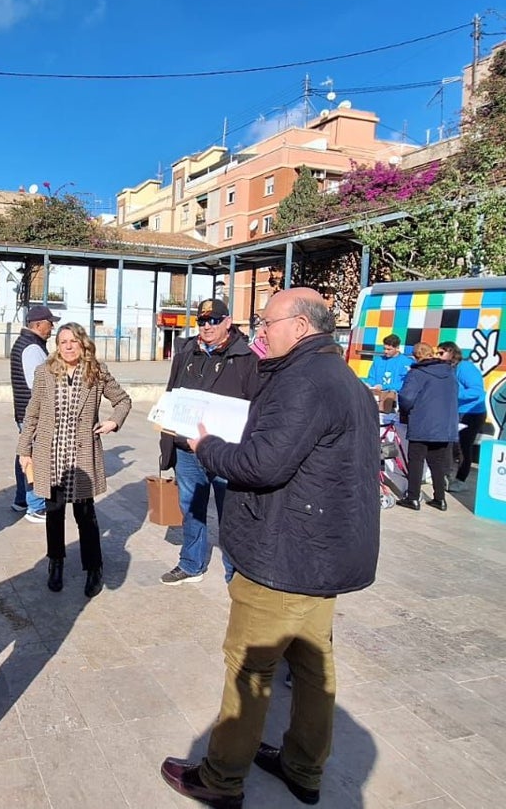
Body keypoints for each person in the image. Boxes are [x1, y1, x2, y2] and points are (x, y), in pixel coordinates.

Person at [160, 287, 380, 808]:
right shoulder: (339, 376)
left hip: (284, 553)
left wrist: (206, 445)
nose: (260, 331)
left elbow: (261, 465)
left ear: (301, 327)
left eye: (268, 322)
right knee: (311, 665)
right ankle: (303, 767)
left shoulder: (302, 380)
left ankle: (220, 778)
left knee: (252, 667)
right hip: (322, 552)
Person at [17, 322, 131, 598]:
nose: (68, 347)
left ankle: (94, 568)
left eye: (73, 342)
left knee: (85, 515)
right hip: (51, 455)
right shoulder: (44, 372)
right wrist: (24, 450)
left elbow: (123, 400)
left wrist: (112, 423)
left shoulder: (96, 371)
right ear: (57, 345)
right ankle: (55, 563)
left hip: (81, 457)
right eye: (63, 341)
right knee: (53, 514)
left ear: (83, 344)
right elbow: (32, 413)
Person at [158, 298, 260, 586]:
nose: (207, 326)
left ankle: (235, 574)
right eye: (202, 321)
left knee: (231, 515)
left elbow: (256, 406)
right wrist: (167, 437)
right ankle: (191, 564)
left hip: (226, 452)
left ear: (228, 321)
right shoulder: (187, 351)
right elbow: (172, 392)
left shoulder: (246, 359)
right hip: (187, 450)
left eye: (214, 320)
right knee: (191, 509)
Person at [10, 305, 59, 523]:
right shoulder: (31, 348)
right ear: (38, 325)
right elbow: (37, 385)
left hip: (25, 412)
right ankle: (36, 506)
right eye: (50, 323)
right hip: (34, 414)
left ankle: (21, 499)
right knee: (36, 459)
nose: (52, 327)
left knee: (25, 454)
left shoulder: (28, 344)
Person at [396, 341, 458, 511]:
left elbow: (406, 398)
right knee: (437, 462)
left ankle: (413, 497)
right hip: (444, 425)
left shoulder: (418, 372)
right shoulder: (449, 371)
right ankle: (440, 498)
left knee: (416, 461)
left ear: (416, 356)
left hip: (423, 423)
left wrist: (404, 411)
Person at [437, 340, 487, 493]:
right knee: (450, 446)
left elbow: (477, 391)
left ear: (451, 353)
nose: (437, 356)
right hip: (456, 411)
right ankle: (449, 476)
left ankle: (461, 480)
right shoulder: (449, 368)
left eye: (441, 353)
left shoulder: (465, 368)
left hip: (471, 413)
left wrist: (453, 394)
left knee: (463, 447)